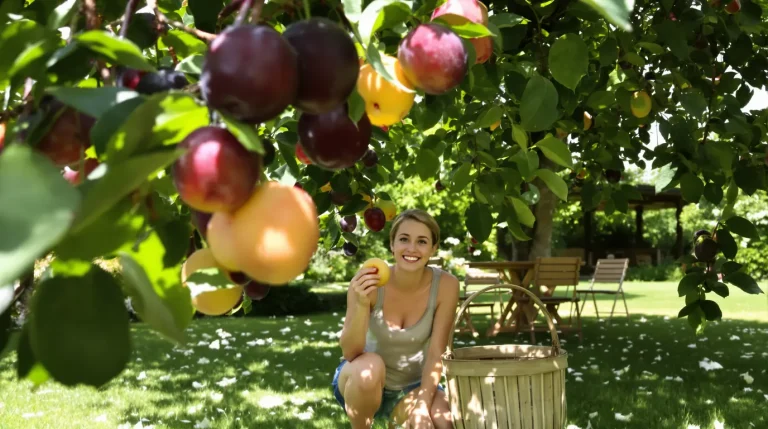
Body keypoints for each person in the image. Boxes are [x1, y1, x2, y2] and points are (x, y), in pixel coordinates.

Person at [331, 209, 460, 429]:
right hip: (363, 383)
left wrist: (422, 407)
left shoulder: (446, 286)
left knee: (444, 423)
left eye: (422, 241)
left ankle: (402, 419)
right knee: (369, 367)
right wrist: (362, 303)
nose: (412, 248)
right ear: (392, 244)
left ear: (433, 248)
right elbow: (350, 352)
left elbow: (436, 353)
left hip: (415, 386)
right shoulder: (368, 282)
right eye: (404, 239)